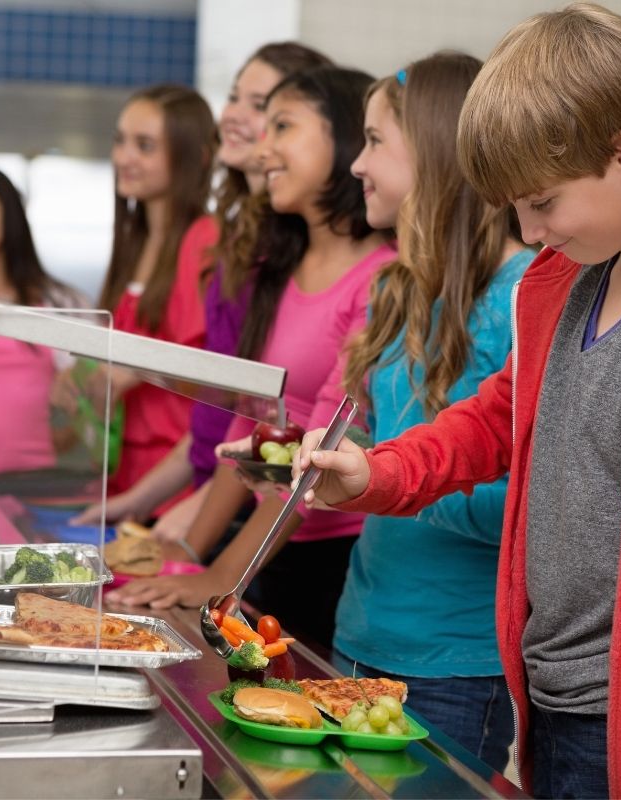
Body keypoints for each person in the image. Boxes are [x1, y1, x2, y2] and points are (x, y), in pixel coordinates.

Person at [294, 5, 621, 798]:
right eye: (514, 207)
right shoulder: (570, 283)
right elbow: (495, 419)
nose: (529, 230)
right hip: (549, 704)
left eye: (543, 202)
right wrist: (377, 474)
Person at [107, 66, 395, 651]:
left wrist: (223, 576)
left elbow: (323, 442)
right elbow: (252, 417)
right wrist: (191, 553)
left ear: (342, 140)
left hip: (325, 554)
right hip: (264, 541)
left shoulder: (380, 277)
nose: (262, 151)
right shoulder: (279, 270)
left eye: (282, 127)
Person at [329, 52, 534, 773]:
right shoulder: (396, 287)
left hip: (452, 664)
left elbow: (532, 511)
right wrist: (307, 461)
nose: (357, 164)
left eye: (377, 141)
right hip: (359, 632)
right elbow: (380, 434)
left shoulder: (523, 296)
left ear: (440, 156)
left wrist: (387, 483)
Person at [72, 44, 332, 543]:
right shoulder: (237, 240)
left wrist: (195, 511)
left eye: (269, 112)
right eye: (235, 97)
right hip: (206, 486)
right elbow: (226, 410)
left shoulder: (215, 242)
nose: (233, 115)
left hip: (256, 504)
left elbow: (247, 405)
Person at [84, 84, 218, 514]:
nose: (124, 158)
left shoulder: (206, 241)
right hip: (124, 473)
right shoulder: (134, 244)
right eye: (120, 141)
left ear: (193, 157)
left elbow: (222, 381)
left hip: (176, 484)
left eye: (144, 146)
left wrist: (136, 370)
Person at [0, 160, 87, 474]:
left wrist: (70, 433)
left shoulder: (59, 301)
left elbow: (94, 391)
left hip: (31, 487)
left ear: (9, 214)